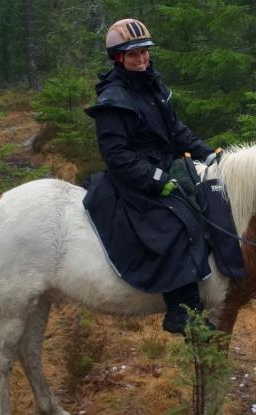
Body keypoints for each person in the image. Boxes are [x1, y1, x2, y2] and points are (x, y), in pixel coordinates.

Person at [84, 18, 216, 335]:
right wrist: (156, 179)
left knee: (206, 201)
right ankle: (179, 311)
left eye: (144, 52)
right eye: (133, 55)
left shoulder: (152, 86)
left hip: (163, 163)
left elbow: (175, 131)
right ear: (119, 58)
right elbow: (117, 157)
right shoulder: (113, 100)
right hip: (134, 177)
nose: (141, 59)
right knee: (174, 221)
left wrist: (207, 153)